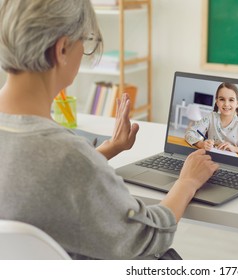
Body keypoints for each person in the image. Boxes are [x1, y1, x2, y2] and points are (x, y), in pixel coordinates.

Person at [0, 0, 218, 260]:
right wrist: (187, 182)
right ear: (62, 50)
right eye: (85, 40)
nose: (85, 51)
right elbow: (147, 236)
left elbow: (34, 178)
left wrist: (105, 151)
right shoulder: (69, 156)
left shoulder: (66, 157)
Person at [185, 82, 238, 157]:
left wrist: (234, 149)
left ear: (237, 103)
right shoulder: (210, 117)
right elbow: (189, 133)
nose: (226, 104)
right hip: (208, 159)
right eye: (222, 99)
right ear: (217, 101)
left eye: (231, 100)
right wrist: (201, 144)